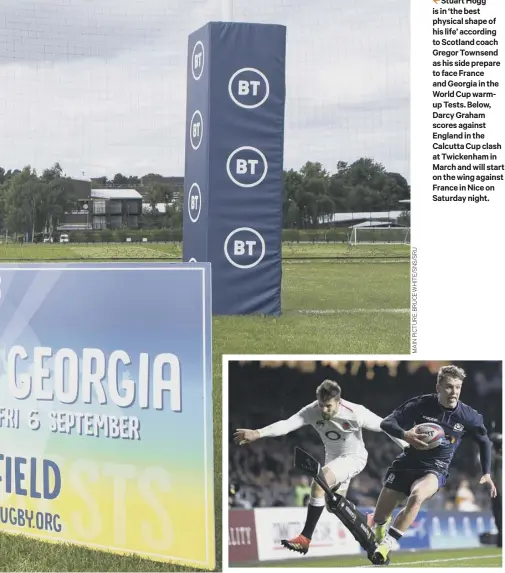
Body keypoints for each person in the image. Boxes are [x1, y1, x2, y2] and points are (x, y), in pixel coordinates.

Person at [233, 379, 407, 555]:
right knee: (333, 507)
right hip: (333, 459)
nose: (323, 410)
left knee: (318, 484)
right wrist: (258, 433)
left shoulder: (355, 412)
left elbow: (386, 426)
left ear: (339, 402)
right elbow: (287, 424)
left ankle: (305, 538)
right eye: (321, 405)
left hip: (354, 457)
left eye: (328, 406)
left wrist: (408, 448)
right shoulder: (312, 411)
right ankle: (367, 521)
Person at [370, 365, 497, 565]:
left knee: (417, 495)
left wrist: (487, 473)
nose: (454, 392)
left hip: (435, 468)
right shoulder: (420, 404)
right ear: (438, 386)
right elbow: (386, 423)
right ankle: (379, 526)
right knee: (379, 517)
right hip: (406, 464)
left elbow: (484, 441)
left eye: (457, 387)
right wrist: (405, 435)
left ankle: (387, 544)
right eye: (448, 387)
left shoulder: (469, 416)